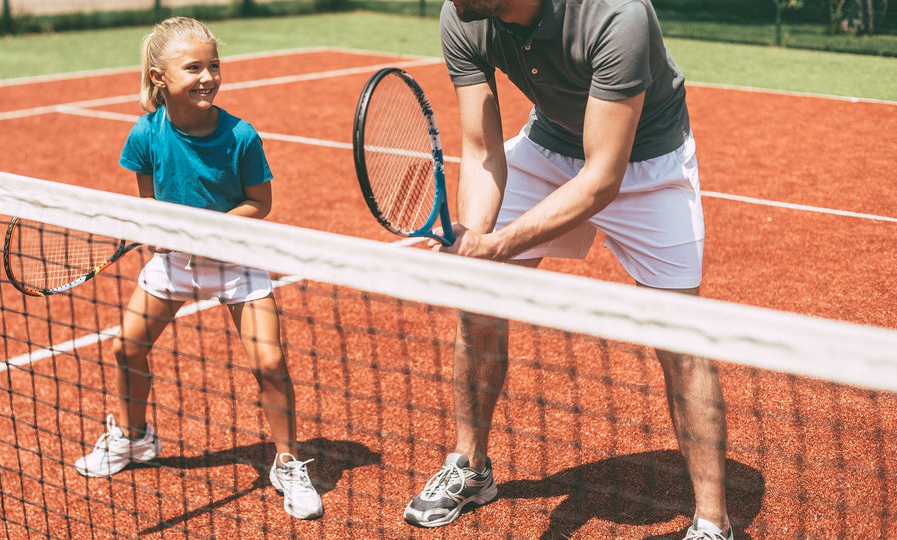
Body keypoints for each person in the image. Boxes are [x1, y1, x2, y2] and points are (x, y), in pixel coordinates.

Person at [403, 0, 732, 538]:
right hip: (550, 146)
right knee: (479, 301)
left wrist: (498, 243)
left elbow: (604, 177)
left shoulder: (616, 13)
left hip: (647, 161)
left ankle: (713, 522)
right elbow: (483, 146)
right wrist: (477, 241)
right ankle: (471, 466)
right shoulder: (461, 12)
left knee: (682, 338)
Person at [73, 17, 323, 521]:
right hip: (174, 264)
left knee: (270, 364)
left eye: (214, 65)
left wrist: (210, 229)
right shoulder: (145, 134)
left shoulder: (240, 136)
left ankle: (288, 462)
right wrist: (159, 230)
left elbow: (261, 203)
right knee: (127, 347)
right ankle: (133, 437)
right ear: (159, 76)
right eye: (193, 67)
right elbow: (151, 207)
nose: (207, 76)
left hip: (234, 261)